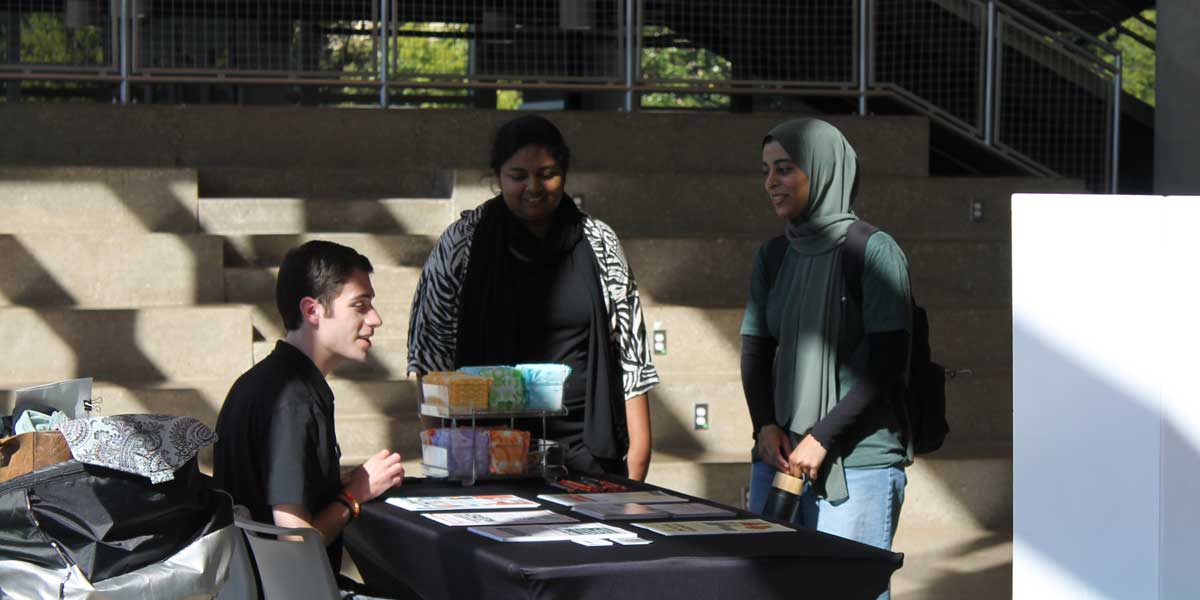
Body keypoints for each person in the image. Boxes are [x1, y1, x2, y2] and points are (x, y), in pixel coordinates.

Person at [407, 114, 659, 480]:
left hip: (586, 447)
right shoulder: (461, 242)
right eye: (518, 175)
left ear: (565, 174)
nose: (533, 187)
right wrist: (442, 456)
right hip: (485, 454)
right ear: (498, 176)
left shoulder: (599, 241)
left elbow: (630, 353)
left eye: (547, 174)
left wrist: (638, 456)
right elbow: (430, 352)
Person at [741, 119, 911, 589]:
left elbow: (887, 362)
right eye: (766, 170)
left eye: (785, 169)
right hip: (780, 458)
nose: (771, 182)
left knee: (845, 591)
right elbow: (755, 350)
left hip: (856, 463)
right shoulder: (774, 256)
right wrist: (765, 426)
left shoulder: (873, 251)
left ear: (823, 170)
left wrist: (822, 437)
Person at [213, 240, 405, 592]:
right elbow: (295, 544)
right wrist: (354, 497)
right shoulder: (294, 400)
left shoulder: (259, 382)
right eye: (360, 306)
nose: (375, 319)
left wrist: (330, 485)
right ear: (313, 311)